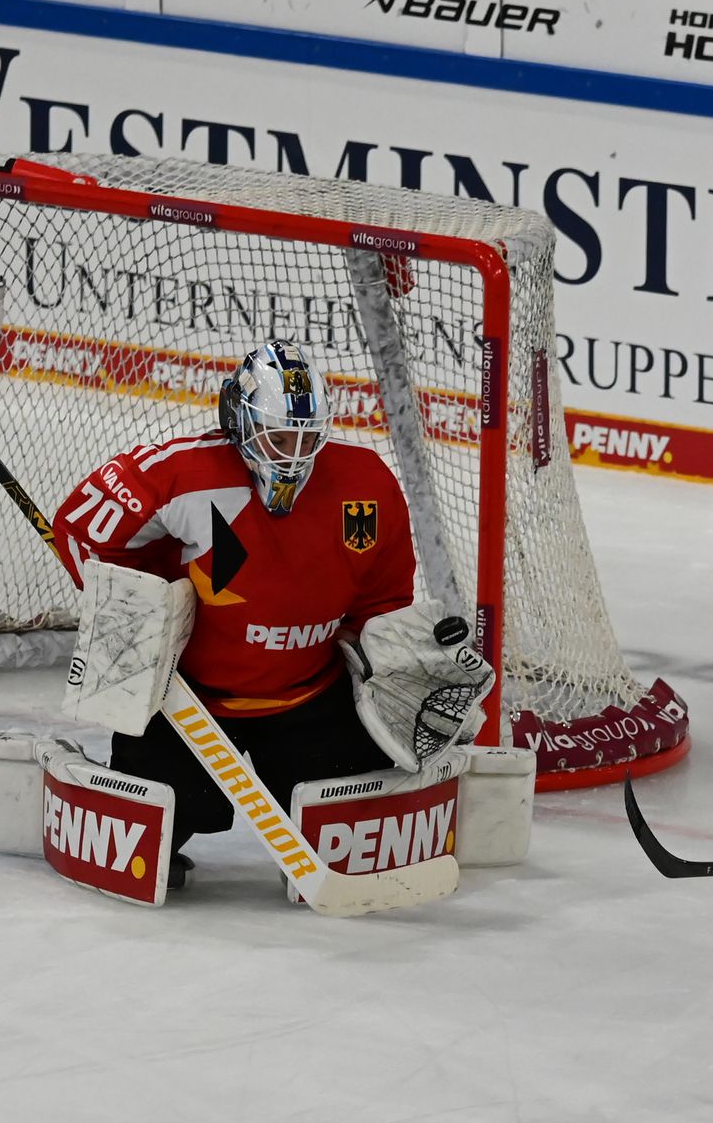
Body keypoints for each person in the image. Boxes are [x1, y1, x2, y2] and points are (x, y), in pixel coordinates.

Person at [54, 339, 467, 886]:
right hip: (190, 707)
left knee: (352, 838)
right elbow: (78, 529)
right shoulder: (181, 472)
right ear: (241, 421)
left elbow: (382, 599)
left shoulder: (365, 484)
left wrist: (401, 660)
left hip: (310, 700)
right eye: (278, 436)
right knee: (149, 842)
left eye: (307, 437)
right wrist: (139, 612)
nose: (294, 454)